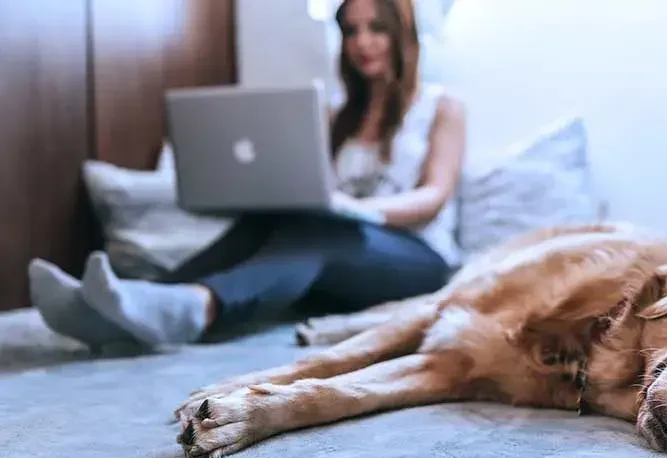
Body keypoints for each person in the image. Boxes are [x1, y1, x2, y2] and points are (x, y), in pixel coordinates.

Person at [27, 0, 466, 350]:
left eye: (376, 28)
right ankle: (125, 304)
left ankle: (197, 307)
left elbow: (434, 196)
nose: (363, 42)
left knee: (323, 232)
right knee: (277, 221)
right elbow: (314, 188)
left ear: (401, 32)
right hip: (342, 260)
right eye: (351, 30)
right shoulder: (338, 116)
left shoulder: (441, 106)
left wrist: (357, 209)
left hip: (418, 260)